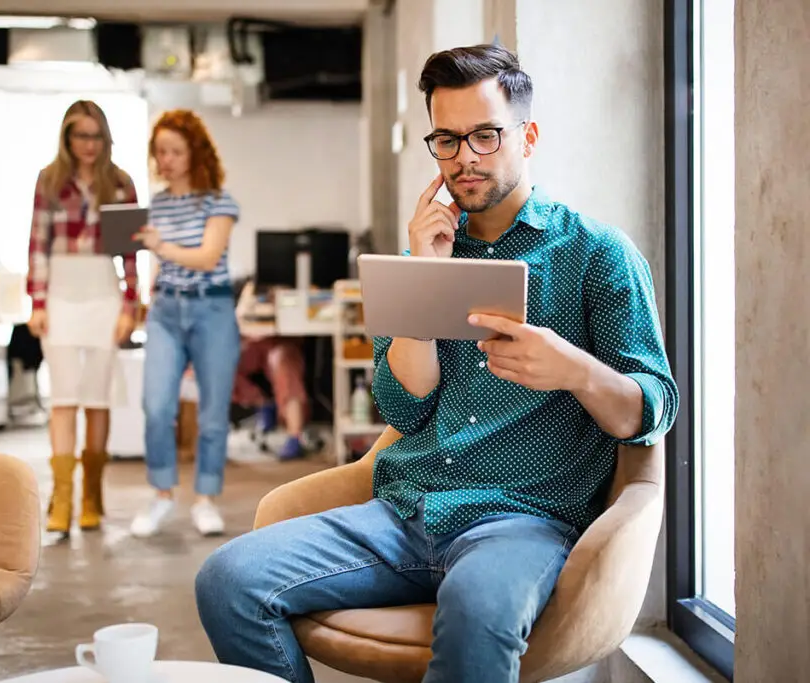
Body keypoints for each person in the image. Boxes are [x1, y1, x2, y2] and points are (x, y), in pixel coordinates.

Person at [194, 44, 679, 683]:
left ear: (526, 136)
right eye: (447, 141)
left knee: (478, 607)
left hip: (522, 520)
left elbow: (653, 410)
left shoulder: (598, 255)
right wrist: (425, 274)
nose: (464, 159)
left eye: (484, 135)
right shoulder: (422, 255)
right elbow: (402, 407)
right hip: (405, 511)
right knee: (227, 579)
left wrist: (573, 369)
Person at [26, 100, 139, 535]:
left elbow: (130, 252)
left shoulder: (121, 183)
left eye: (95, 136)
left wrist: (130, 305)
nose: (88, 145)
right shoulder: (50, 181)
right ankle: (62, 499)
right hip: (60, 296)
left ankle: (91, 495)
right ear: (67, 137)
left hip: (103, 296)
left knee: (97, 399)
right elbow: (37, 242)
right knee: (63, 398)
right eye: (80, 135)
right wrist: (37, 302)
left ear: (105, 138)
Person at [129, 110, 241, 538]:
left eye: (175, 150)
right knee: (156, 406)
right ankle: (161, 494)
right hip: (166, 312)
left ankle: (206, 498)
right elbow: (160, 263)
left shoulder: (219, 201)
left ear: (195, 152)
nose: (167, 159)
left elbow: (208, 257)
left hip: (212, 310)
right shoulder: (156, 204)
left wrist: (160, 245)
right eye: (160, 151)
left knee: (212, 414)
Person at [232, 279, 310, 460]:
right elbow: (239, 317)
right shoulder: (249, 287)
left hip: (281, 342)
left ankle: (294, 436)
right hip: (252, 343)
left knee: (284, 363)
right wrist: (250, 301)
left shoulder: (293, 286)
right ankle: (263, 404)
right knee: (222, 364)